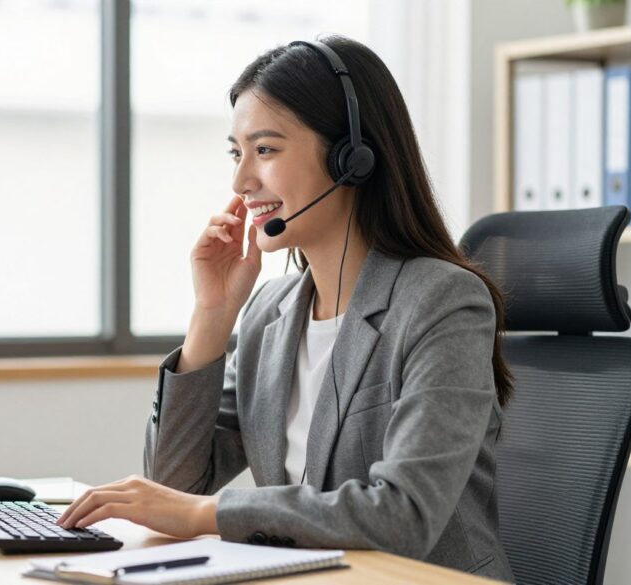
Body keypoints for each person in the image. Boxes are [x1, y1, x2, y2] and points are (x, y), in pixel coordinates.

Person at [58, 36, 515, 581]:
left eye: (265, 150)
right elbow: (174, 482)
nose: (240, 181)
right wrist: (212, 314)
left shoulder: (441, 302)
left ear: (352, 159)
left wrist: (205, 516)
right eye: (236, 153)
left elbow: (404, 514)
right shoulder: (269, 314)